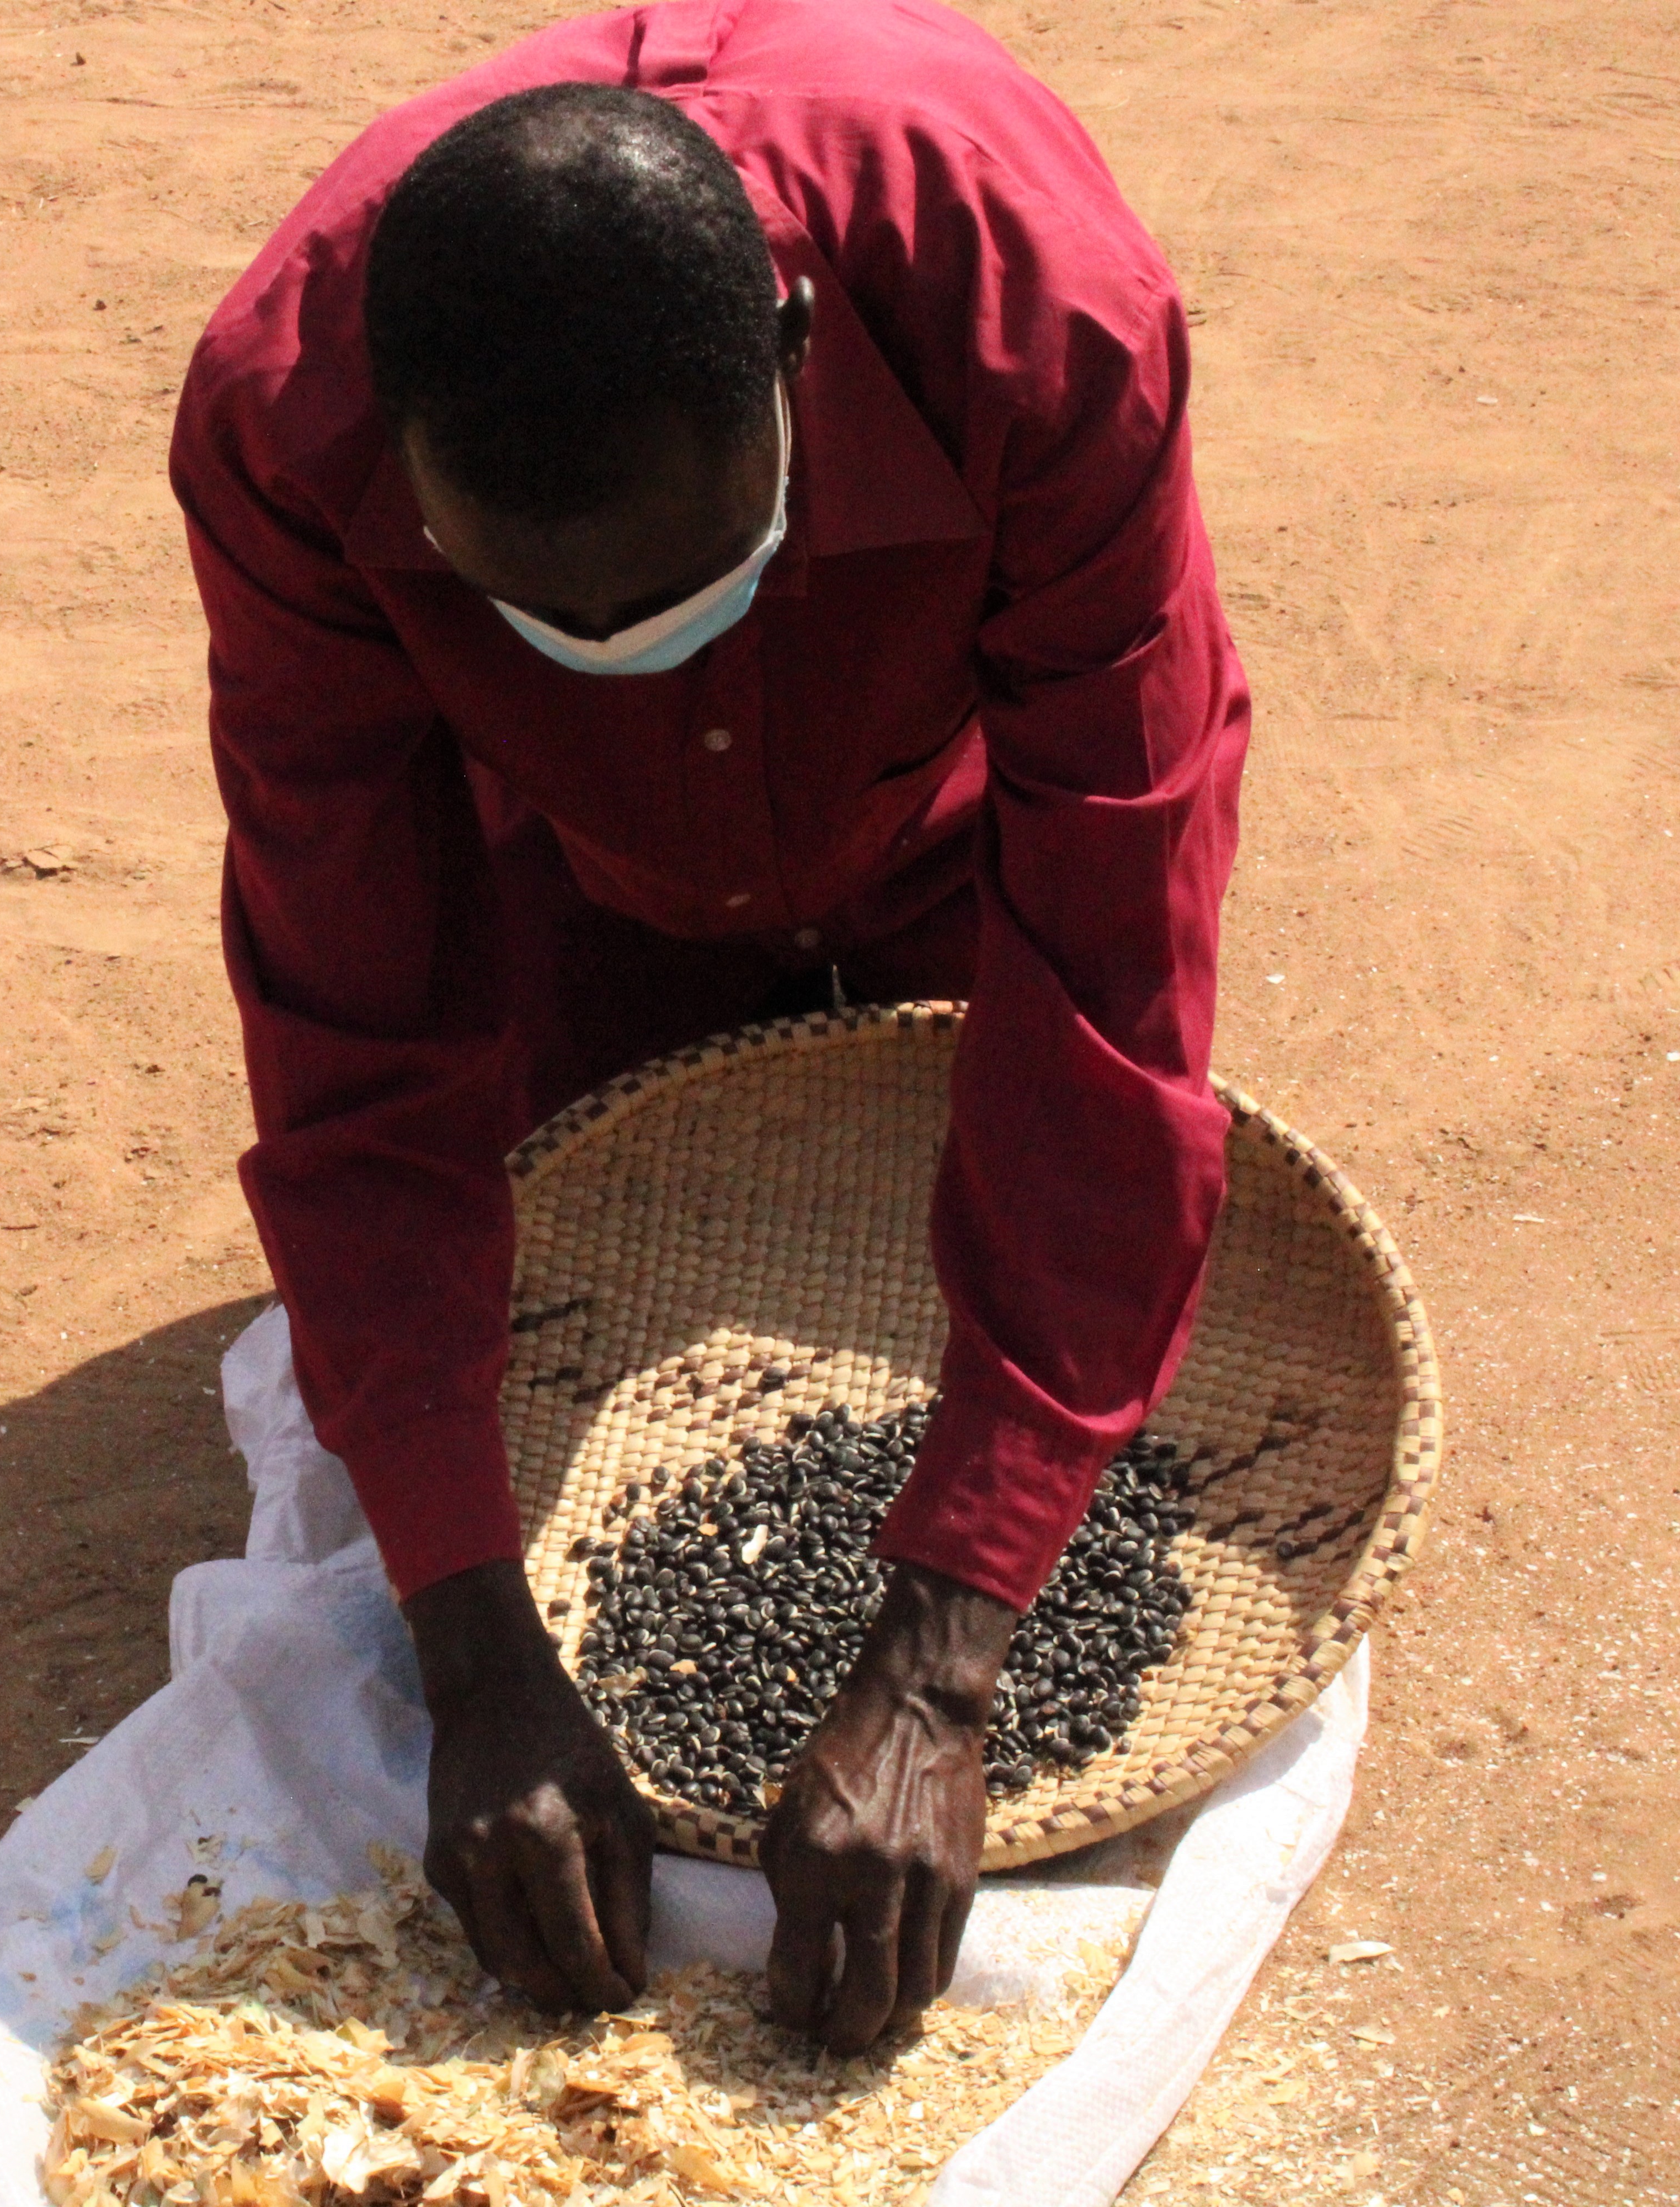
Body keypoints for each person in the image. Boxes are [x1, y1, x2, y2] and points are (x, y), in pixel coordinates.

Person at [170, 0, 1247, 2054]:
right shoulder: (278, 429)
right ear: (397, 471)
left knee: (1067, 1197)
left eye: (677, 583)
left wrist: (942, 1652)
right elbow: (353, 1010)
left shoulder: (1036, 313)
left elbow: (1109, 943)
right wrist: (475, 1655)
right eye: (540, 612)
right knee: (561, 1232)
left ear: (798, 353)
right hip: (572, 859)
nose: (617, 645)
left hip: (934, 795)